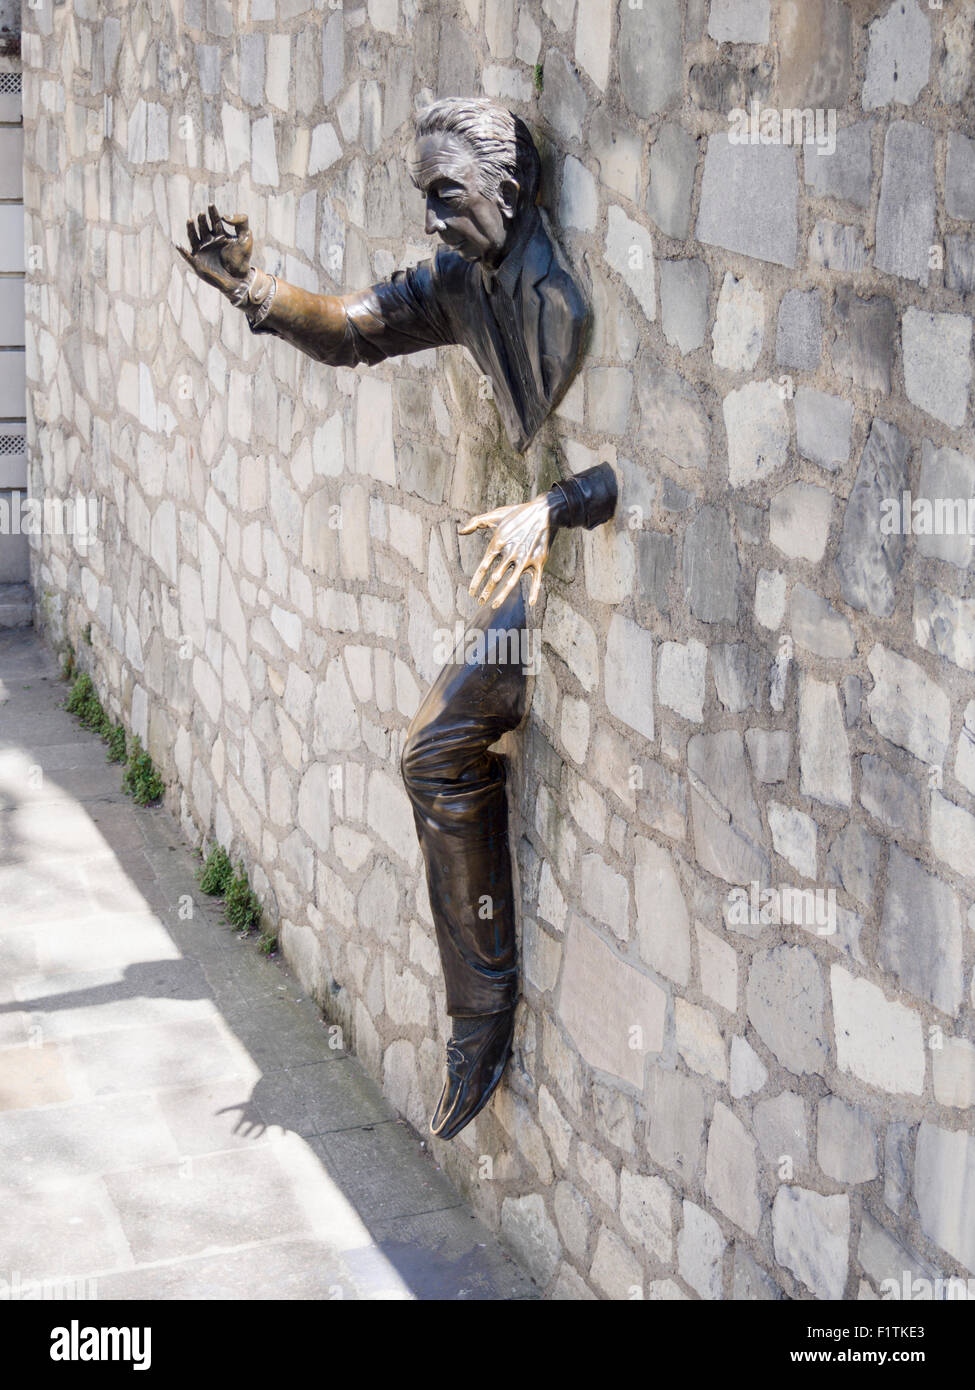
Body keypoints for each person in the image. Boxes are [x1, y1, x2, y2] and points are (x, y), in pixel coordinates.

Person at [177, 97, 617, 1138]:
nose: (432, 221)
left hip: (550, 538)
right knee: (431, 750)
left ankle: (482, 1020)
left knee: (432, 749)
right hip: (521, 545)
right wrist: (255, 289)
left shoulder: (569, 304)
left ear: (506, 192)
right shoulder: (464, 282)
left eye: (445, 197)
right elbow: (357, 330)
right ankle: (479, 1019)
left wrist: (551, 506)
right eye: (425, 200)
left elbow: (647, 480)